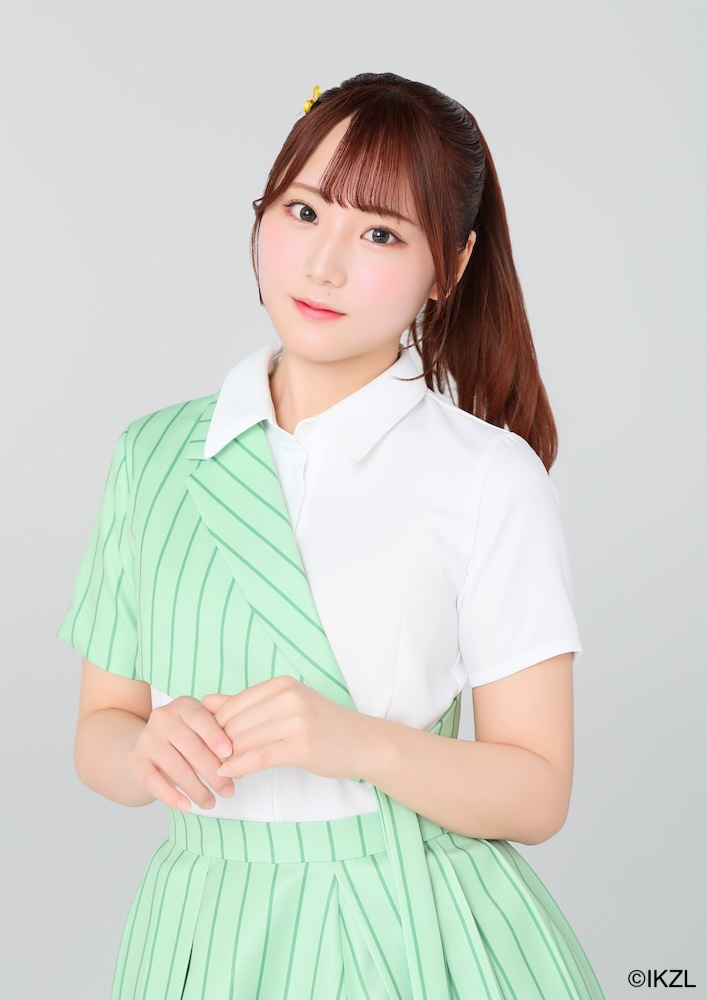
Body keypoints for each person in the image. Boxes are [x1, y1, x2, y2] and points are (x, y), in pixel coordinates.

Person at [59, 72, 604, 999]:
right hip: (202, 930)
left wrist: (359, 744)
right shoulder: (152, 456)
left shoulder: (486, 474)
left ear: (450, 267)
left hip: (412, 928)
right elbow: (100, 730)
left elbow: (537, 792)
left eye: (380, 234)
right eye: (304, 211)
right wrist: (142, 752)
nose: (323, 265)